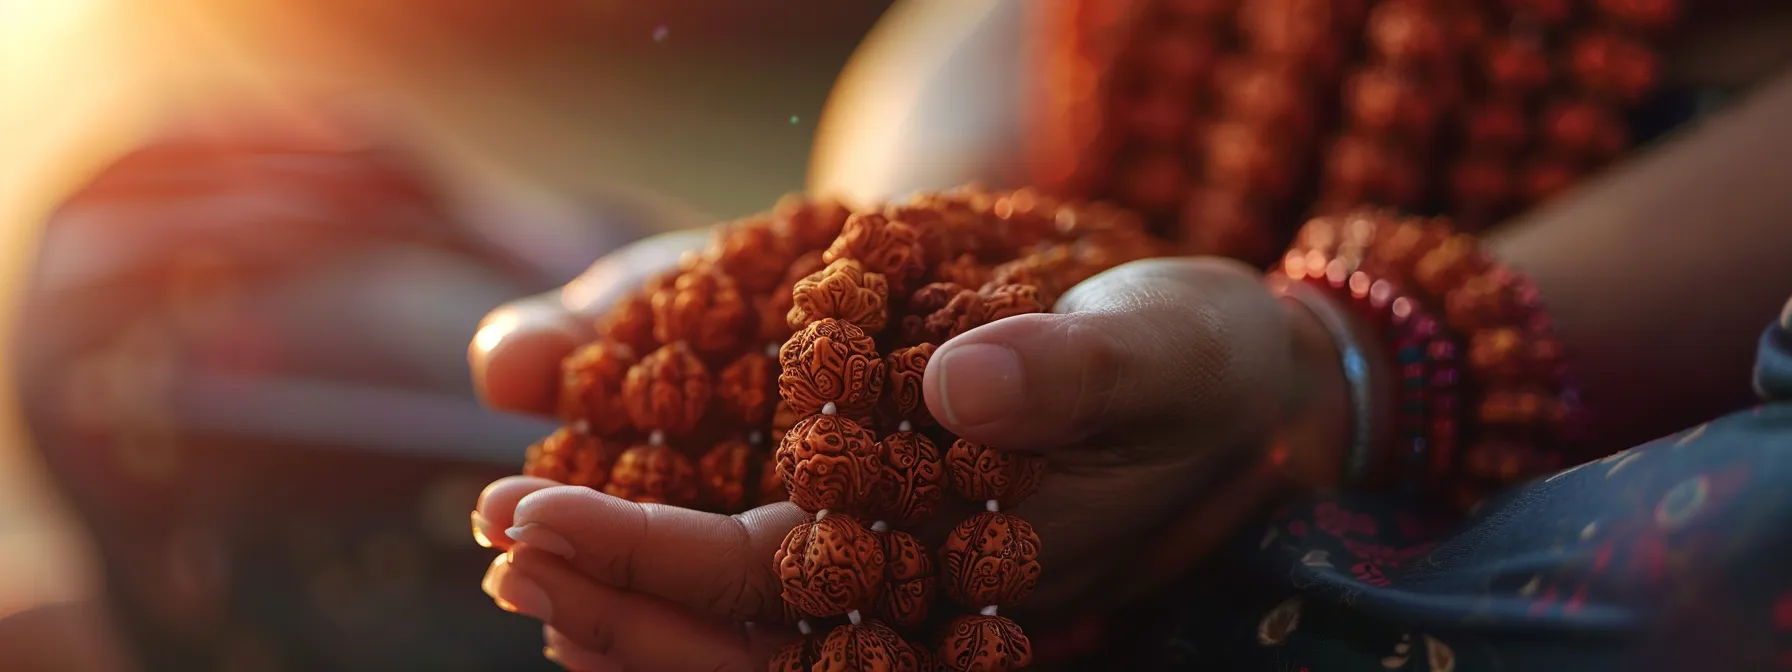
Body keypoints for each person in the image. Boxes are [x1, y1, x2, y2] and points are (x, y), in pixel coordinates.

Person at [468, 4, 1792, 671]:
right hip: (1139, 255)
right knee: (287, 319)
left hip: (1668, 365)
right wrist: (921, 240)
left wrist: (1355, 365)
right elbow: (991, 28)